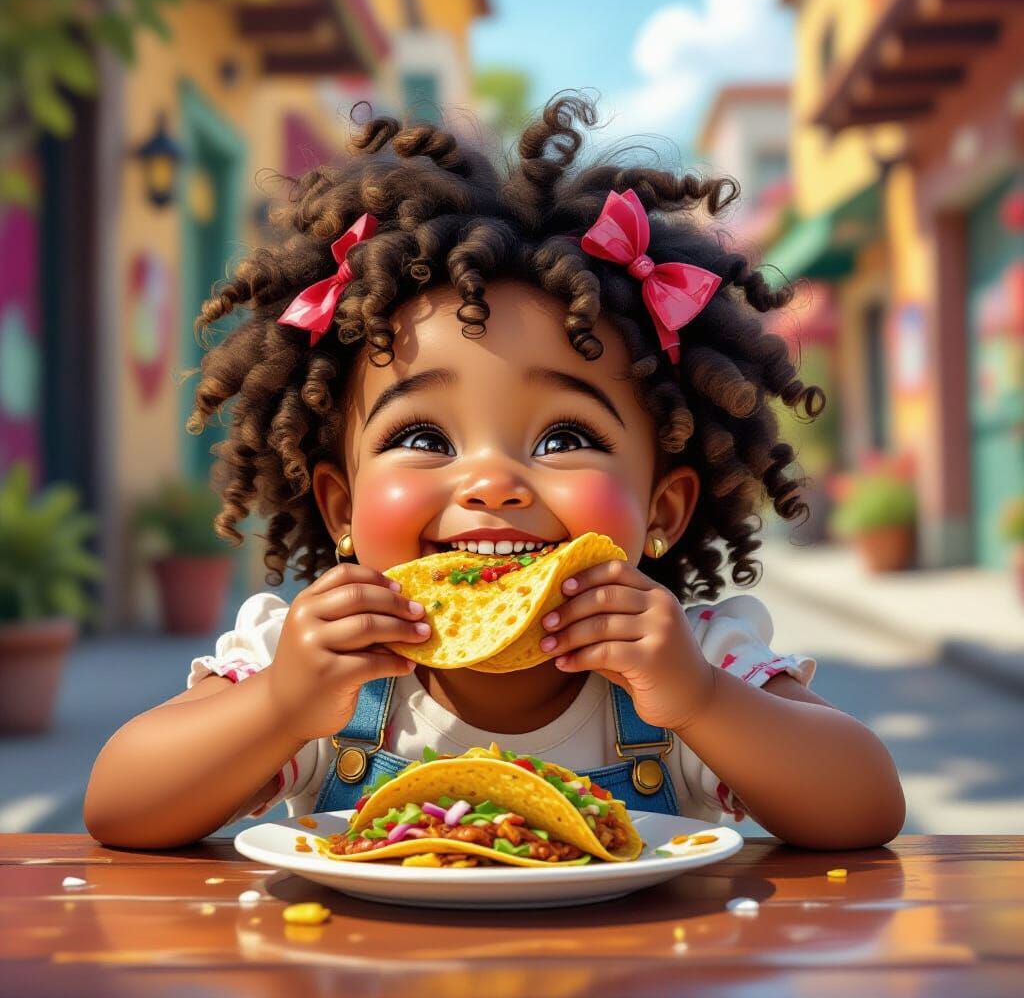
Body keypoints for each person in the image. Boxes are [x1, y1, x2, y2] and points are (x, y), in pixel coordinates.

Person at [84, 92, 905, 851]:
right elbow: (120, 807)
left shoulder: (689, 662)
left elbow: (865, 807)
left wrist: (698, 700)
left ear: (663, 507)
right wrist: (276, 705)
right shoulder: (316, 667)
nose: (492, 481)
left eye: (562, 438)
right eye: (423, 437)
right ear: (341, 504)